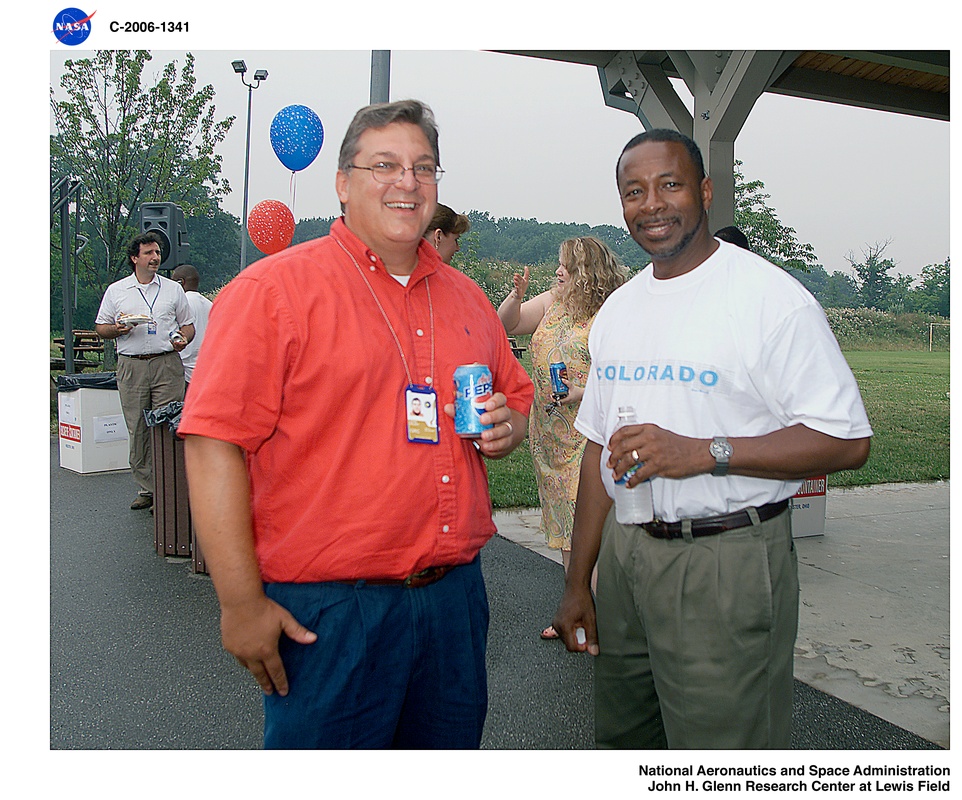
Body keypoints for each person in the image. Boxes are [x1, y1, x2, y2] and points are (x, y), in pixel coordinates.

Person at [178, 99, 534, 750]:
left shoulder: (468, 299)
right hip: (330, 609)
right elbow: (212, 446)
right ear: (343, 183)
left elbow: (514, 400)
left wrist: (507, 426)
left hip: (453, 601)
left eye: (424, 168)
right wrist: (239, 603)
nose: (408, 182)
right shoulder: (272, 292)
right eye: (385, 165)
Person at [552, 129, 872, 749]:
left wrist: (705, 452)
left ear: (704, 191)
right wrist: (577, 581)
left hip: (725, 558)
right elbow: (598, 446)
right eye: (634, 191)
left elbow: (846, 440)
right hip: (626, 557)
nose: (652, 204)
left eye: (669, 184)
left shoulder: (768, 301)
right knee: (624, 742)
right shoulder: (618, 309)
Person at [497, 237, 629, 640]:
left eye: (567, 266)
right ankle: (578, 606)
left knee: (586, 522)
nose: (559, 272)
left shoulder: (611, 315)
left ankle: (606, 617)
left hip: (587, 435)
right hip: (549, 433)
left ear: (587, 273)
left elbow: (623, 378)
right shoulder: (553, 301)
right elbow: (507, 324)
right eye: (559, 265)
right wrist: (515, 297)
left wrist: (580, 392)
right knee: (562, 521)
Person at [95, 233, 195, 510]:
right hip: (132, 365)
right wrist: (117, 329)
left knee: (168, 425)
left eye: (158, 253)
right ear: (134, 258)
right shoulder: (117, 291)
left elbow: (188, 325)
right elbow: (101, 327)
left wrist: (183, 338)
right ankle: (146, 488)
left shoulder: (173, 290)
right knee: (138, 428)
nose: (155, 258)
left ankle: (169, 488)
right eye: (149, 253)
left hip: (166, 362)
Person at [170, 264, 213, 386]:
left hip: (184, 370)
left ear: (180, 282)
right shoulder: (209, 305)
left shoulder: (182, 304)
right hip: (205, 370)